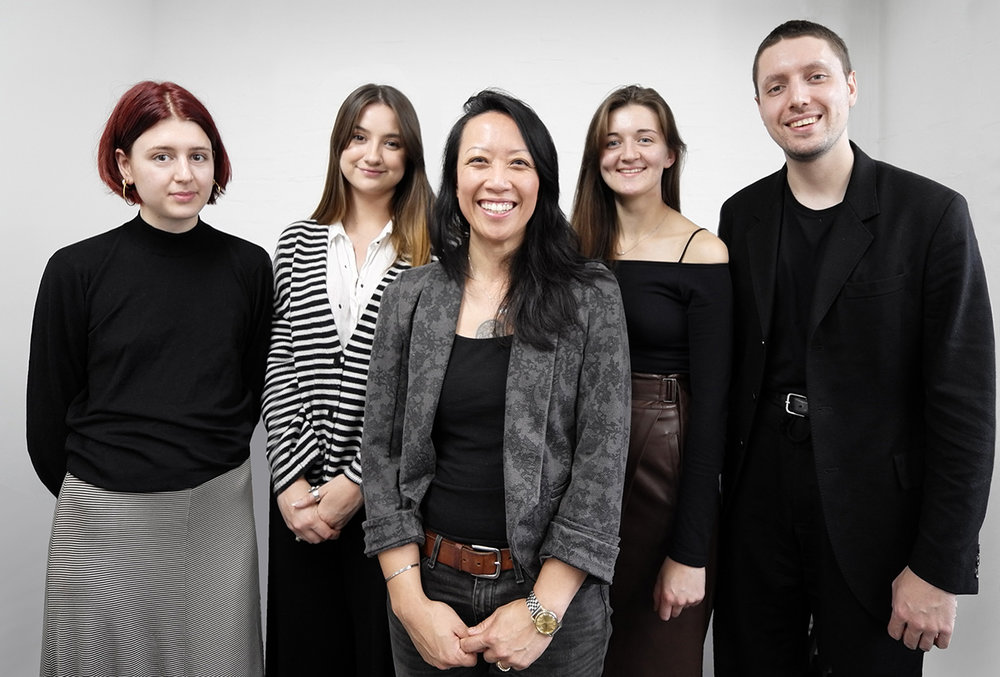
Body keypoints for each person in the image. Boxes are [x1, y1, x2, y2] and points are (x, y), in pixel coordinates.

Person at [712, 20, 995, 676]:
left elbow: (966, 406)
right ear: (759, 106)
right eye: (775, 86)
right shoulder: (739, 215)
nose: (797, 98)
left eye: (815, 77)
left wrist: (938, 565)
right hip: (756, 520)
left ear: (850, 86)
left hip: (878, 528)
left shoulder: (930, 214)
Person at [359, 89, 631, 675]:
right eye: (478, 161)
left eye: (518, 162)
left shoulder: (590, 295)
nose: (497, 180)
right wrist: (409, 603)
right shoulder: (410, 297)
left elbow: (602, 461)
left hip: (551, 597)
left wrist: (541, 611)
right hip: (430, 591)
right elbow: (380, 450)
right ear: (454, 182)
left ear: (543, 180)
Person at [26, 80, 271, 677]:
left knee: (221, 664)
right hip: (102, 516)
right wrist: (114, 483)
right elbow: (47, 419)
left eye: (198, 155)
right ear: (125, 166)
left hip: (215, 504)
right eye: (161, 156)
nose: (183, 173)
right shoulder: (75, 269)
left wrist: (201, 459)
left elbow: (250, 388)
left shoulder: (248, 266)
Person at [262, 83, 434, 676]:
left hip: (389, 499)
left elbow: (423, 387)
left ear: (409, 156)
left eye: (391, 142)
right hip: (298, 499)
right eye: (359, 138)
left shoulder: (433, 254)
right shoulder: (296, 240)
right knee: (305, 651)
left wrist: (358, 480)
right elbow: (279, 364)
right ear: (339, 148)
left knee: (380, 655)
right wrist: (290, 482)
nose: (373, 154)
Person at [571, 84, 731, 677]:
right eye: (611, 141)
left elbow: (713, 410)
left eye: (644, 138)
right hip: (576, 472)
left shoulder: (703, 252)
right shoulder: (570, 249)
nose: (627, 153)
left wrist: (689, 553)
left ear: (670, 153)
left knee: (653, 658)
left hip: (659, 469)